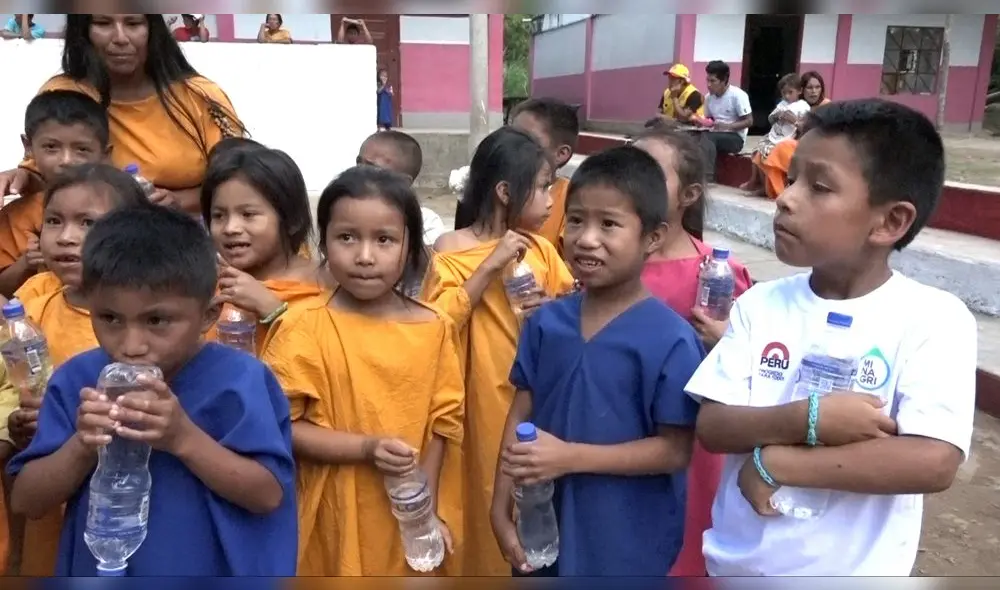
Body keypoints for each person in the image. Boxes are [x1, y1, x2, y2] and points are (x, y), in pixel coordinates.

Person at [685, 99, 976, 576]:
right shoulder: (760, 306)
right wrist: (810, 419)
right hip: (738, 574)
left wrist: (777, 464)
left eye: (818, 187)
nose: (786, 197)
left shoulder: (933, 319)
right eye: (792, 177)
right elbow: (713, 426)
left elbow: (932, 459)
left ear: (890, 222)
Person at [7, 204, 298, 576]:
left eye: (156, 320)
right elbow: (29, 500)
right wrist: (82, 445)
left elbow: (267, 495)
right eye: (109, 318)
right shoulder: (78, 379)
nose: (131, 345)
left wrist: (183, 437)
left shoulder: (240, 381)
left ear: (208, 315)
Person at [491, 146, 702, 576]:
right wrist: (499, 506)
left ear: (653, 237)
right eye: (575, 220)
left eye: (609, 224)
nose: (586, 238)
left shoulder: (672, 338)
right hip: (543, 529)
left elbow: (674, 450)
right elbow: (520, 416)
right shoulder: (546, 323)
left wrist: (570, 457)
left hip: (623, 541)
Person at [260, 166, 463, 576]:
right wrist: (366, 449)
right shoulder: (302, 325)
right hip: (330, 511)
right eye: (347, 237)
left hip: (407, 517)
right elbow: (284, 426)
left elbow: (443, 427)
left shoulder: (435, 327)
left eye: (384, 239)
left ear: (409, 248)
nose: (365, 256)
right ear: (324, 244)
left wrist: (427, 511)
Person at [426, 127, 575, 576]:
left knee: (526, 494)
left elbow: (570, 313)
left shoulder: (543, 249)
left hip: (530, 397)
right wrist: (492, 264)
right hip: (475, 397)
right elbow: (439, 325)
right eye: (544, 186)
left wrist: (552, 308)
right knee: (478, 487)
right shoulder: (450, 250)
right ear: (506, 191)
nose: (552, 198)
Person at [1, 164, 152, 577]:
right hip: (45, 487)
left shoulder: (151, 322)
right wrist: (18, 422)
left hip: (122, 499)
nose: (66, 237)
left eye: (87, 223)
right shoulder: (32, 298)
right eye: (54, 221)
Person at [630, 126, 753, 577]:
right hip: (618, 433)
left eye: (649, 173)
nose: (633, 182)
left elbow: (747, 367)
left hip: (690, 441)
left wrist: (724, 343)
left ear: (690, 194)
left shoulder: (719, 273)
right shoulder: (605, 263)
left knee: (685, 548)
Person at [0, 14, 246, 216]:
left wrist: (179, 202)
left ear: (152, 29)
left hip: (192, 240)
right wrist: (18, 177)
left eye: (133, 23)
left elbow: (242, 180)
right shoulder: (64, 92)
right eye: (103, 23)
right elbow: (44, 176)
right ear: (82, 30)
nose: (120, 38)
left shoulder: (200, 96)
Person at [202, 146, 329, 355]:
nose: (230, 228)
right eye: (218, 216)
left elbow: (330, 358)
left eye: (248, 214)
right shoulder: (206, 285)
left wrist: (273, 310)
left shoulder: (326, 286)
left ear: (292, 221)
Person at [0, 90, 111, 298]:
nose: (66, 160)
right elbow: (2, 291)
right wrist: (26, 263)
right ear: (28, 147)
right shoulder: (15, 216)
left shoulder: (118, 204)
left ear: (105, 155)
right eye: (51, 147)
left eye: (82, 150)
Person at [355, 130, 444, 292]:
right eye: (358, 164)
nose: (359, 174)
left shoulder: (427, 220)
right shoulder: (347, 213)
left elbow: (431, 263)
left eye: (371, 169)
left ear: (403, 182)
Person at [507, 98, 580, 253]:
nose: (512, 145)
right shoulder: (496, 188)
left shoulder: (574, 198)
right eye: (509, 135)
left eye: (527, 140)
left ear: (561, 154)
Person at [740, 73, 811, 196]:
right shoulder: (782, 104)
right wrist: (777, 115)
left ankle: (768, 189)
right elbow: (771, 119)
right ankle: (756, 182)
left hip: (785, 140)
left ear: (799, 91)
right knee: (757, 152)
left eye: (790, 92)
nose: (787, 96)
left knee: (767, 156)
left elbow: (804, 127)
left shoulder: (803, 106)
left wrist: (794, 120)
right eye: (784, 93)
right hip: (773, 137)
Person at [699, 61, 752, 183]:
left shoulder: (738, 96)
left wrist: (727, 126)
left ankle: (707, 177)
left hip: (735, 138)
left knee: (707, 138)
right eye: (707, 80)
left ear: (724, 81)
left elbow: (749, 121)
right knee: (693, 136)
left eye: (712, 81)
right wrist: (700, 122)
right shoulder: (708, 97)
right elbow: (708, 119)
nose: (708, 85)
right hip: (715, 133)